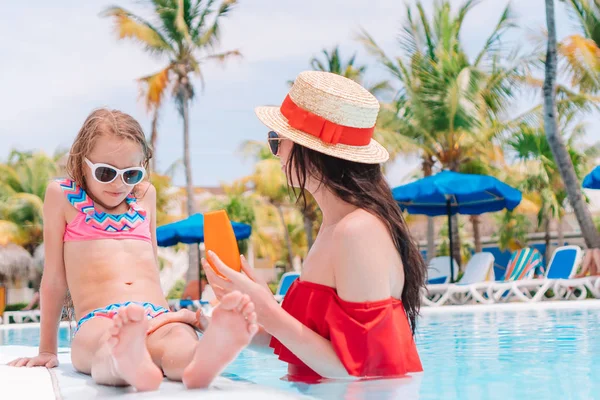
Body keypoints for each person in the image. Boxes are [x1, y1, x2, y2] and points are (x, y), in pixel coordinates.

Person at [8, 109, 257, 392]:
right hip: (98, 320)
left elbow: (149, 263)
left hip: (157, 314)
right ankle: (125, 360)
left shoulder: (144, 196)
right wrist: (47, 350)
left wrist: (175, 318)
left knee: (178, 340)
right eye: (106, 173)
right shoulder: (62, 196)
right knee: (106, 346)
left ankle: (201, 360)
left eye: (131, 174)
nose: (119, 184)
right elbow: (53, 278)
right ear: (82, 162)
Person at [203, 71, 426, 381]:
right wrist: (216, 323)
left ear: (313, 151)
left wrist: (268, 309)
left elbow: (359, 371)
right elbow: (307, 348)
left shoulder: (358, 231)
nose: (277, 153)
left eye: (277, 140)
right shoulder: (335, 228)